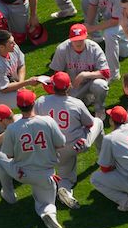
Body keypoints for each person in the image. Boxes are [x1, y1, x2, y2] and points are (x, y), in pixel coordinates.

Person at [0, 90, 67, 228]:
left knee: (0, 157)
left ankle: (9, 195)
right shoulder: (48, 121)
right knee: (46, 204)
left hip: (22, 173)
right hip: (46, 175)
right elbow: (61, 144)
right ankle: (49, 214)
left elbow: (8, 155)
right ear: (33, 103)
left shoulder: (12, 129)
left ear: (18, 106)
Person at [34, 72, 104, 209]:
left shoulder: (41, 101)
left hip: (48, 148)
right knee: (98, 122)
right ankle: (103, 158)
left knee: (65, 175)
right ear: (69, 86)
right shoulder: (76, 104)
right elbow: (89, 124)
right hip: (73, 147)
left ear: (52, 86)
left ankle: (66, 191)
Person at [49, 23, 110, 120]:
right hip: (72, 86)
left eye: (81, 39)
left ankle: (99, 109)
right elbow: (57, 73)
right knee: (69, 110)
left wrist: (84, 75)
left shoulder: (94, 48)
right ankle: (87, 100)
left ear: (87, 37)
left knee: (100, 85)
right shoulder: (62, 49)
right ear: (70, 39)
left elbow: (106, 72)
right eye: (75, 40)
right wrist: (64, 87)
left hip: (91, 83)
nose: (78, 43)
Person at [0, 30, 39, 109]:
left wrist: (21, 83)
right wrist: (26, 83)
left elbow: (21, 65)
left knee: (27, 97)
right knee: (27, 100)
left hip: (7, 84)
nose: (14, 44)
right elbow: (4, 89)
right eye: (11, 43)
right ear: (1, 47)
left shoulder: (13, 48)